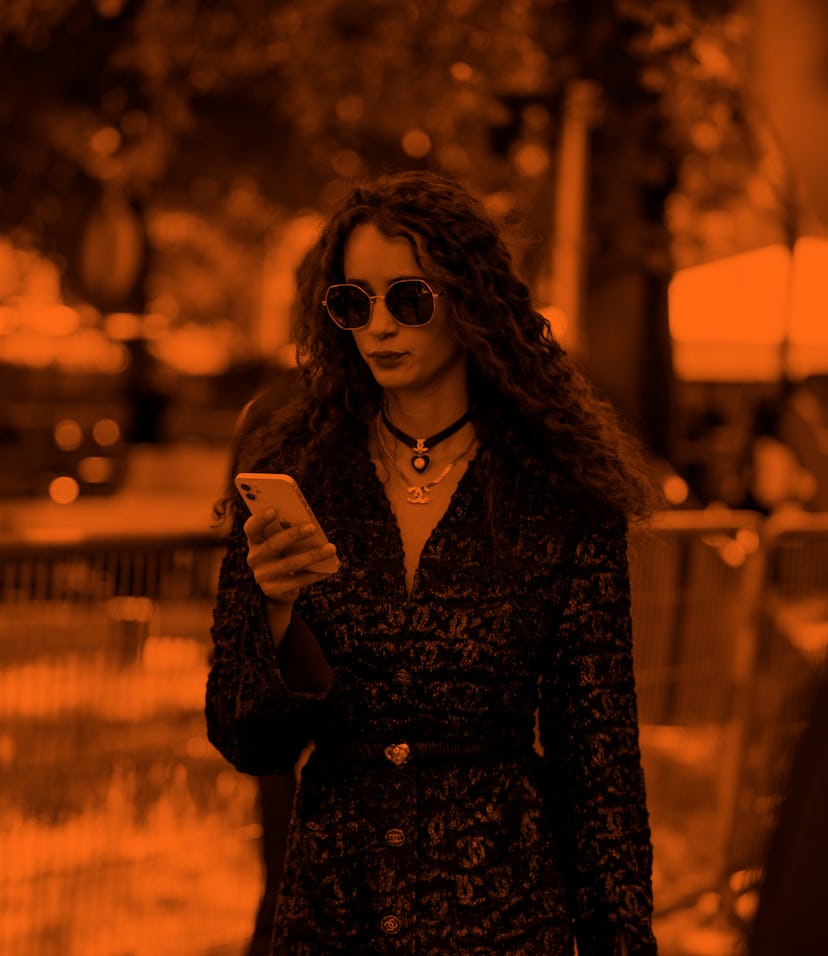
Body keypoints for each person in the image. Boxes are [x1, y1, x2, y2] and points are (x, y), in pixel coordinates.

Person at [206, 170, 660, 955]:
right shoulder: (301, 472)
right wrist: (276, 615)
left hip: (502, 910)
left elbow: (599, 761)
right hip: (334, 908)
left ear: (468, 299)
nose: (380, 325)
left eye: (408, 298)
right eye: (354, 302)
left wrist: (621, 942)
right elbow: (248, 742)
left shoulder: (559, 494)